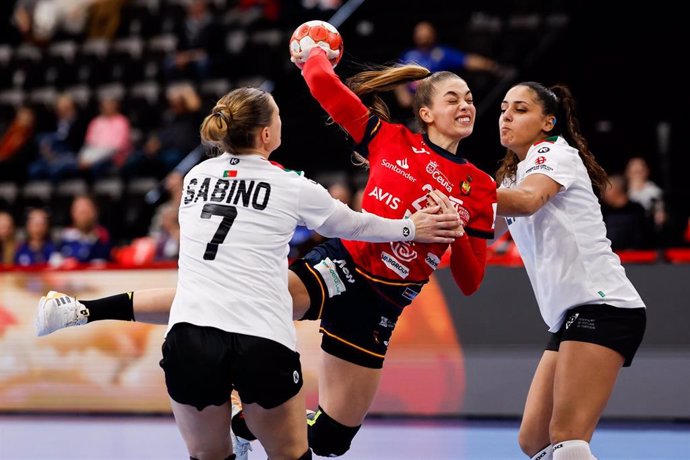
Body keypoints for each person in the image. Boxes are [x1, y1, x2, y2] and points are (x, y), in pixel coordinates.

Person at [36, 42, 497, 456]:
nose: (466, 105)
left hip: (385, 300)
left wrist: (453, 231)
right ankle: (84, 310)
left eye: (471, 98)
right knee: (222, 294)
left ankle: (246, 422)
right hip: (341, 264)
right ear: (426, 112)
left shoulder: (479, 187)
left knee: (333, 440)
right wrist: (312, 49)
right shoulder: (390, 139)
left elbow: (472, 282)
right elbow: (322, 85)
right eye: (453, 97)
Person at [494, 81, 647, 460]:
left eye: (520, 108)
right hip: (568, 316)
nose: (506, 116)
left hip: (603, 305)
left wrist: (458, 186)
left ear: (548, 122)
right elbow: (479, 229)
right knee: (534, 440)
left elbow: (528, 202)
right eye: (503, 108)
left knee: (566, 436)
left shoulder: (554, 154)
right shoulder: (512, 178)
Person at [395, 20, 503, 110]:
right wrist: (403, 95)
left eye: (427, 31)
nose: (424, 35)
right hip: (414, 103)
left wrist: (492, 66)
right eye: (420, 31)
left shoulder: (442, 53)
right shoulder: (408, 55)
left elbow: (468, 60)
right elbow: (397, 78)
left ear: (433, 34)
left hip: (436, 101)